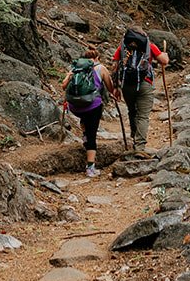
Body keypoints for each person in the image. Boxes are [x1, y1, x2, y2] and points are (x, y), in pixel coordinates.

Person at [111, 26, 169, 154]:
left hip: (127, 85)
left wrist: (115, 87)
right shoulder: (148, 45)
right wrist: (165, 55)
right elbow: (164, 61)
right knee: (143, 116)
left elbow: (114, 66)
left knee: (132, 111)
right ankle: (139, 148)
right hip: (145, 83)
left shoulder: (123, 47)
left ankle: (133, 138)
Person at [61, 48, 113, 178]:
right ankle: (90, 168)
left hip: (75, 107)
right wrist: (113, 92)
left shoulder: (76, 68)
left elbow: (63, 86)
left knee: (84, 118)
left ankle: (84, 134)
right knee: (92, 136)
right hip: (92, 105)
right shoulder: (100, 68)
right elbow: (110, 86)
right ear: (97, 58)